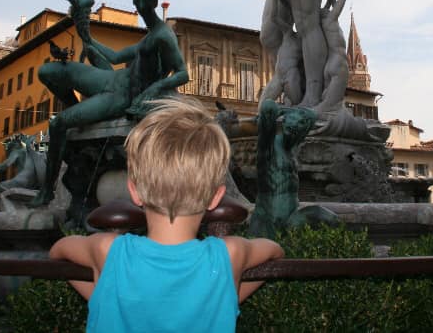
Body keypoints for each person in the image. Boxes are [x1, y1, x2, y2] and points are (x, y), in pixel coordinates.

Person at [50, 97, 284, 332]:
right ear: (216, 197)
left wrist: (100, 296)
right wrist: (230, 295)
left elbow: (58, 251)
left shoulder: (108, 251)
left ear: (134, 191)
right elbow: (275, 251)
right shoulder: (230, 256)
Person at [31, 0, 188, 207]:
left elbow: (183, 73)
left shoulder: (164, 36)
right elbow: (115, 57)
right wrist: (87, 37)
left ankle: (46, 191)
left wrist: (156, 87)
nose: (139, 8)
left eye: (140, 3)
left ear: (151, 3)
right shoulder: (150, 35)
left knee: (57, 124)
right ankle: (74, 110)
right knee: (47, 71)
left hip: (120, 97)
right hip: (110, 79)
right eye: (136, 3)